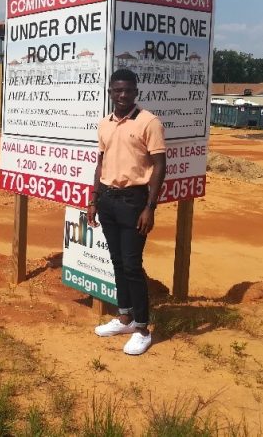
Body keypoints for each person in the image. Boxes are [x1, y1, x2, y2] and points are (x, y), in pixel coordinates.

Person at [86, 68, 166, 355]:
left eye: (128, 90)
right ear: (110, 92)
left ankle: (143, 328)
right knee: (117, 262)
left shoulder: (149, 122)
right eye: (117, 90)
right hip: (107, 198)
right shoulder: (105, 123)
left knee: (132, 265)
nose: (122, 95)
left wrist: (150, 206)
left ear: (136, 91)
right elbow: (100, 163)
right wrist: (94, 199)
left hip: (134, 201)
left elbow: (160, 165)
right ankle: (125, 317)